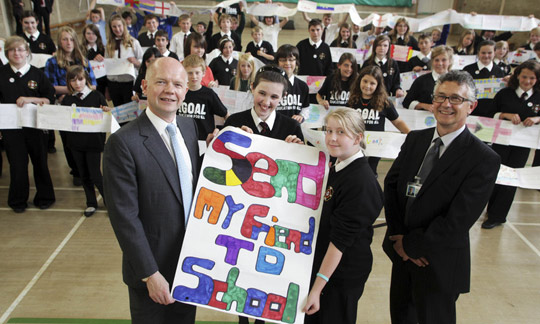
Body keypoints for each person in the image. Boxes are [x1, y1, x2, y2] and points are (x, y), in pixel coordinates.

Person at [383, 70, 501, 324]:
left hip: (437, 263)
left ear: (472, 106)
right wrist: (398, 238)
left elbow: (459, 218)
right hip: (402, 256)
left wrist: (412, 246)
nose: (446, 104)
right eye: (441, 97)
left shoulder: (483, 159)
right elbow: (392, 186)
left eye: (456, 99)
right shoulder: (415, 139)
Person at [103, 57, 200, 324]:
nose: (170, 90)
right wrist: (150, 274)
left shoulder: (190, 128)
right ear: (145, 86)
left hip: (188, 267)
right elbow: (124, 218)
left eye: (178, 84)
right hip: (152, 273)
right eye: (161, 82)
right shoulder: (123, 143)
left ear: (186, 90)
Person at [303, 108, 383, 324]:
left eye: (341, 132)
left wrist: (317, 289)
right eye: (328, 130)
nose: (332, 138)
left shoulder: (360, 182)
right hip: (327, 268)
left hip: (340, 275)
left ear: (358, 137)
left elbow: (339, 243)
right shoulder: (339, 166)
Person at [0, 36, 55, 213]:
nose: (17, 53)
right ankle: (18, 200)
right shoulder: (1, 74)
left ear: (27, 52)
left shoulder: (37, 74)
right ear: (7, 53)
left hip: (35, 127)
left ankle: (45, 197)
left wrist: (30, 99)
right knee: (17, 165)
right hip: (11, 130)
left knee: (40, 162)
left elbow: (49, 99)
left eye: (20, 49)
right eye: (12, 50)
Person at [482, 61, 540, 229]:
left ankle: (498, 216)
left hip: (522, 146)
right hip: (501, 142)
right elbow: (490, 114)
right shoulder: (505, 93)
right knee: (497, 175)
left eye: (532, 78)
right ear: (517, 76)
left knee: (512, 178)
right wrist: (505, 115)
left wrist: (537, 118)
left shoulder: (538, 96)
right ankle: (490, 209)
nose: (527, 81)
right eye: (524, 77)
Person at [45, 26, 97, 186]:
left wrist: (71, 90)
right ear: (59, 42)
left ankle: (91, 171)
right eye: (65, 39)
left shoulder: (83, 60)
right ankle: (76, 171)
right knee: (69, 141)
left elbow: (93, 84)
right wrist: (72, 90)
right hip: (64, 107)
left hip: (84, 106)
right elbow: (49, 86)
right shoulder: (52, 62)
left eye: (71, 39)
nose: (68, 42)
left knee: (87, 138)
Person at [61, 65, 110, 217]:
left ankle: (109, 202)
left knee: (95, 174)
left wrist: (106, 111)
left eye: (80, 79)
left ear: (86, 80)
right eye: (73, 80)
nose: (77, 83)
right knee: (84, 175)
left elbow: (107, 115)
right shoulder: (67, 99)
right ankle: (91, 202)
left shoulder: (97, 96)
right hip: (75, 143)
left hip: (93, 143)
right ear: (69, 82)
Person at [348, 66, 410, 175]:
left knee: (370, 173)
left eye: (372, 83)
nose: (367, 86)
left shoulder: (384, 102)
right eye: (365, 81)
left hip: (375, 148)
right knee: (353, 172)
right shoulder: (352, 100)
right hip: (355, 145)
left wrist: (411, 135)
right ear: (359, 81)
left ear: (378, 85)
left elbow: (398, 122)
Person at [224, 65, 303, 142]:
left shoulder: (292, 128)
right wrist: (230, 140)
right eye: (262, 93)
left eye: (274, 97)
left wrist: (297, 149)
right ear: (252, 88)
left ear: (283, 96)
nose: (266, 102)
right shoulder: (233, 123)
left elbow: (301, 154)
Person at [181, 54, 228, 140]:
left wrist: (222, 132)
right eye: (190, 73)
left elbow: (226, 114)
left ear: (203, 73)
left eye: (197, 72)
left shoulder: (209, 94)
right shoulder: (179, 93)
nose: (194, 76)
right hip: (182, 139)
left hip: (205, 140)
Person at [105, 14, 143, 107]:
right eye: (114, 26)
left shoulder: (133, 42)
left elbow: (142, 60)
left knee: (129, 109)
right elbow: (106, 65)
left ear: (124, 26)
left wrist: (136, 62)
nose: (117, 29)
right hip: (113, 83)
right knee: (118, 109)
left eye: (119, 26)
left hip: (128, 82)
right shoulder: (108, 44)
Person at [403, 45, 453, 111]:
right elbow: (406, 103)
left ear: (450, 61)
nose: (440, 63)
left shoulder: (456, 81)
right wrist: (423, 105)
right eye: (436, 60)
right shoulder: (421, 81)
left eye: (444, 60)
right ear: (432, 61)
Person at [463, 40, 506, 117]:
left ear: (494, 52)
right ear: (478, 53)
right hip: (471, 111)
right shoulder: (468, 69)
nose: (486, 56)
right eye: (483, 53)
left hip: (491, 112)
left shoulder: (499, 71)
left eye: (489, 53)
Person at [274, 44, 310, 122]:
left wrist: (301, 116)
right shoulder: (271, 84)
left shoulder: (302, 86)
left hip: (294, 130)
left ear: (296, 62)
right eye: (283, 60)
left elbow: (305, 109)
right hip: (274, 130)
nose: (287, 63)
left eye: (291, 60)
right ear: (277, 62)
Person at [82, 24, 107, 95]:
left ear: (97, 35)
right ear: (84, 35)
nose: (91, 36)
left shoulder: (103, 49)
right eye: (88, 33)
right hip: (89, 83)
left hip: (103, 83)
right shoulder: (81, 50)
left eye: (93, 33)